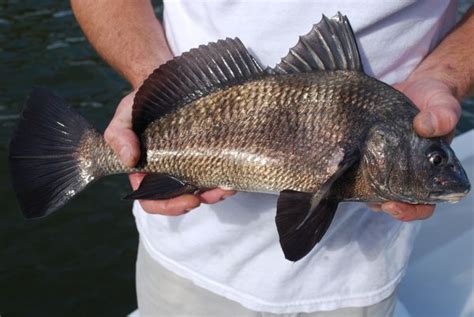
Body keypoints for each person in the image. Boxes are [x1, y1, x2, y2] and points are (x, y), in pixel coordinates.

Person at [71, 1, 474, 316]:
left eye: (436, 160)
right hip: (188, 256)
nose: (440, 168)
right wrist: (153, 80)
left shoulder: (384, 126)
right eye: (435, 160)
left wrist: (445, 76)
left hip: (362, 274)